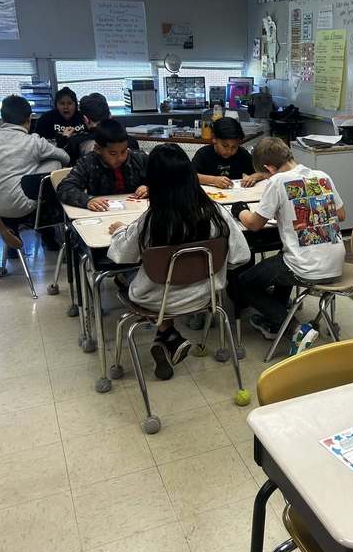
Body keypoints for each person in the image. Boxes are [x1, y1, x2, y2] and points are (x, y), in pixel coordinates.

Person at [107, 144, 250, 380]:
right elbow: (241, 256)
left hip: (156, 300)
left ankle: (168, 334)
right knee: (164, 276)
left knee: (125, 275)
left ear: (153, 181)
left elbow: (121, 256)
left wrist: (120, 231)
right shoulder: (216, 212)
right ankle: (168, 338)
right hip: (205, 296)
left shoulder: (153, 220)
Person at [233, 137, 346, 356]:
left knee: (243, 283)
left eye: (266, 175)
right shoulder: (321, 176)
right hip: (336, 263)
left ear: (269, 168)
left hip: (304, 268)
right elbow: (341, 214)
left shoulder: (277, 182)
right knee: (280, 262)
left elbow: (254, 224)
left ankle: (295, 328)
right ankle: (274, 322)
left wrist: (240, 211)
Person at [0, 95, 69, 238]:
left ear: (3, 119)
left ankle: (10, 232)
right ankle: (47, 229)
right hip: (21, 207)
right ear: (29, 119)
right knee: (54, 163)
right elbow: (65, 158)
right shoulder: (34, 142)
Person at [57, 120, 147, 211]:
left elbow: (161, 179)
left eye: (124, 151)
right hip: (103, 212)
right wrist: (87, 200)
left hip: (137, 211)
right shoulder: (88, 163)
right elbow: (65, 188)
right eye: (113, 153)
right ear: (97, 149)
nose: (120, 158)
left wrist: (151, 188)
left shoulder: (139, 158)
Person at [191, 117, 268, 189]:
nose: (229, 151)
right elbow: (190, 176)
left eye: (234, 147)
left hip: (235, 195)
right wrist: (214, 180)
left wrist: (253, 177)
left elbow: (264, 173)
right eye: (225, 146)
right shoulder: (204, 154)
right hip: (210, 197)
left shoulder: (242, 154)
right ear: (214, 138)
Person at [66, 92, 139, 164]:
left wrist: (64, 139)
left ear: (85, 119)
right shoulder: (130, 141)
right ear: (110, 116)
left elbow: (67, 170)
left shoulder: (75, 142)